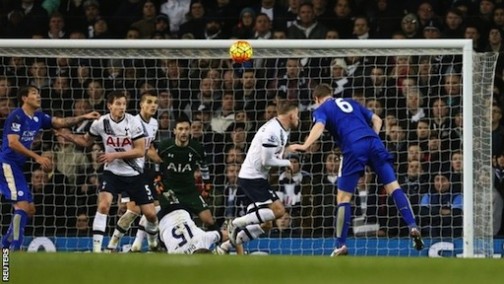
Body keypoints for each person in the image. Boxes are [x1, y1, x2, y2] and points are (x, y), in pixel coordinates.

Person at [289, 84, 424, 256]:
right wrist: (373, 137)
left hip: (353, 146)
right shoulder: (351, 102)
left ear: (316, 99)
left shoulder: (322, 109)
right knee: (393, 187)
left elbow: (319, 127)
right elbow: (378, 120)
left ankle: (340, 245)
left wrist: (305, 145)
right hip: (374, 142)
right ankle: (412, 226)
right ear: (331, 94)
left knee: (343, 197)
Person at [56, 91, 159, 253]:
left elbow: (140, 151)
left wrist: (114, 155)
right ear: (109, 105)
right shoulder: (100, 123)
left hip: (135, 175)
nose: (121, 107)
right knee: (103, 206)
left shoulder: (133, 122)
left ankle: (153, 244)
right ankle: (97, 251)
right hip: (112, 173)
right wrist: (67, 136)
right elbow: (85, 141)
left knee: (151, 214)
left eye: (124, 104)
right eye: (118, 104)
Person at [0, 85, 99, 250]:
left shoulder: (38, 117)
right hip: (7, 165)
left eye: (39, 94)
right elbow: (13, 142)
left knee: (30, 209)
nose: (38, 96)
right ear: (24, 98)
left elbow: (60, 122)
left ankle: (5, 243)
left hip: (18, 166)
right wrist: (37, 156)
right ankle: (13, 249)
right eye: (34, 94)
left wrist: (84, 116)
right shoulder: (16, 116)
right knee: (22, 207)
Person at [227, 100, 299, 246]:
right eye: (297, 115)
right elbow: (267, 160)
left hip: (257, 178)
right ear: (291, 115)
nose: (298, 118)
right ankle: (235, 223)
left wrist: (287, 150)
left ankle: (225, 247)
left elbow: (273, 154)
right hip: (252, 179)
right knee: (279, 211)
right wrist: (287, 162)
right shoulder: (272, 131)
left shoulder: (283, 129)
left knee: (267, 225)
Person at [106, 91, 162, 252]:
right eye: (149, 102)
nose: (153, 105)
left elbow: (148, 146)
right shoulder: (132, 123)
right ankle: (112, 245)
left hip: (144, 172)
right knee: (133, 211)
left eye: (155, 102)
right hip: (128, 172)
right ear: (141, 105)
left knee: (152, 210)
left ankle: (142, 245)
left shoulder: (154, 123)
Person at [156, 115, 215, 228]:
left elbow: (203, 166)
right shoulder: (165, 146)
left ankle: (219, 245)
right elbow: (156, 162)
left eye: (187, 129)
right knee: (169, 221)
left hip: (190, 191)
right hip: (170, 191)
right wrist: (158, 178)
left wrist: (207, 183)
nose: (184, 132)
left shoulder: (196, 148)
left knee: (209, 220)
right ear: (174, 131)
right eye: (180, 129)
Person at [157, 194, 226, 255]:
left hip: (181, 211)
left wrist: (224, 247)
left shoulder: (204, 239)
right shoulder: (176, 257)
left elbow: (224, 235)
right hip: (162, 221)